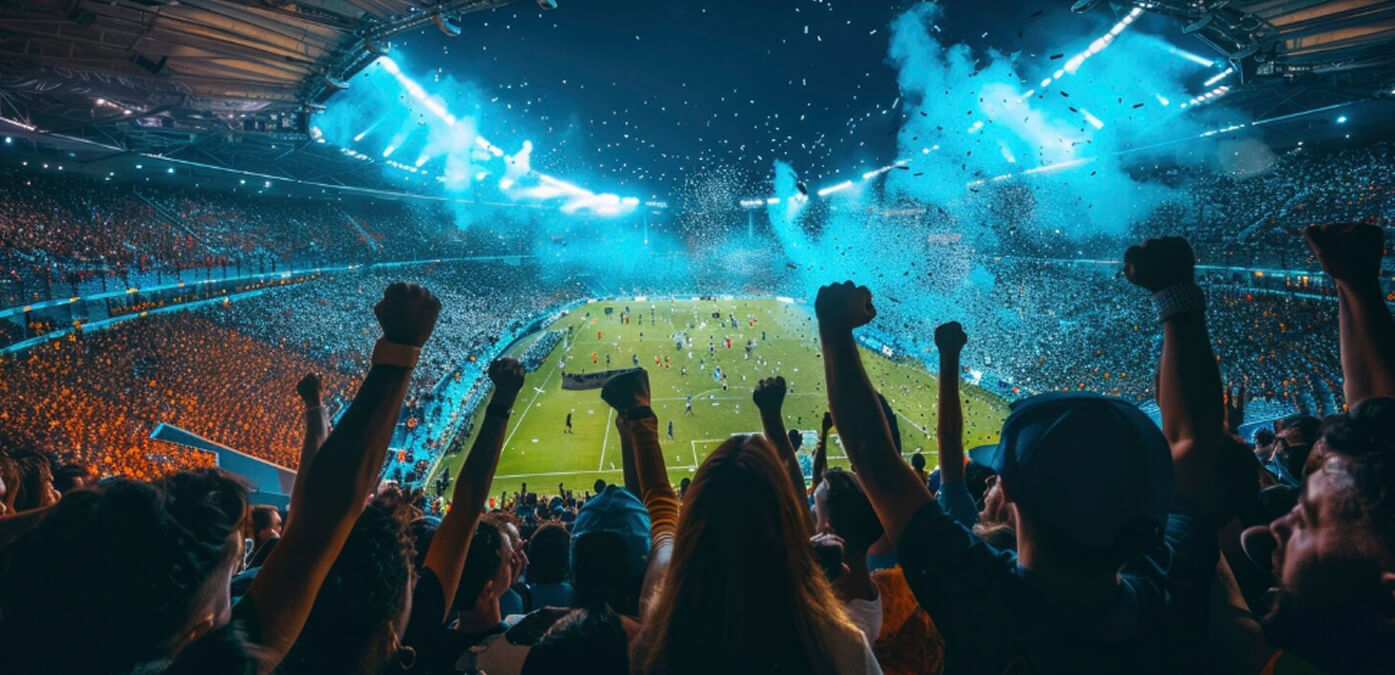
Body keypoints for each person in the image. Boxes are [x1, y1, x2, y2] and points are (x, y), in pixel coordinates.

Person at [815, 246, 1248, 674]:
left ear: (1010, 490)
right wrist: (1175, 294)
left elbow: (874, 459)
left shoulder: (984, 596)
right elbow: (1194, 441)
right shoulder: (1170, 589)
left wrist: (835, 327)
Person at [601, 369, 881, 674]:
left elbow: (661, 511)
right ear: (784, 523)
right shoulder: (840, 647)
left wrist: (639, 419)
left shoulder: (660, 632)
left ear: (696, 526)